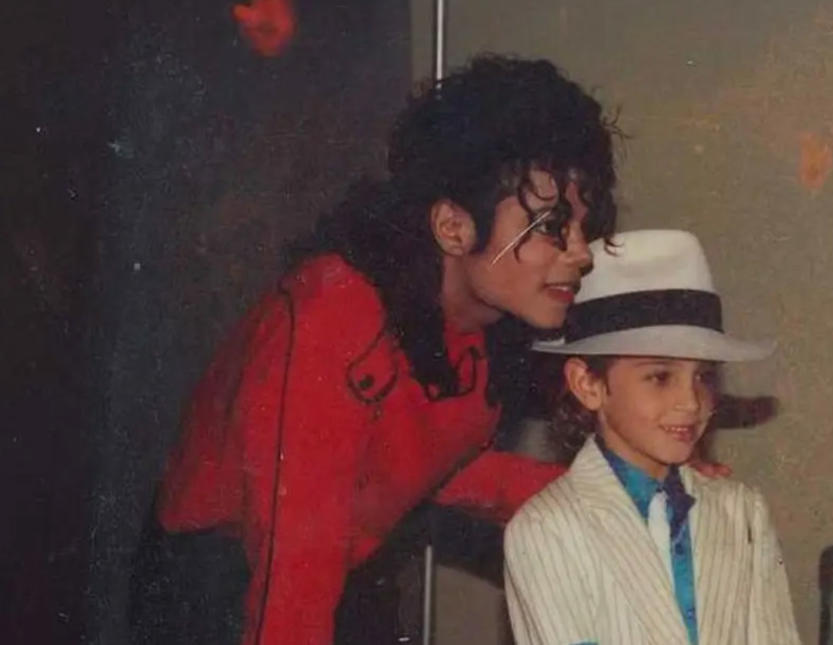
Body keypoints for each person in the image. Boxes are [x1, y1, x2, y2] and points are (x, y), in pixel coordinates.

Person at [142, 55, 621, 645]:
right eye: (551, 227)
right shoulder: (333, 314)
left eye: (583, 226)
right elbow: (294, 568)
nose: (582, 253)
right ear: (452, 226)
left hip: (326, 573)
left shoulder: (478, 325)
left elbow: (434, 468)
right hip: (224, 590)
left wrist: (628, 488)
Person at [504, 229, 802, 645]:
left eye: (703, 376)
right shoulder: (547, 528)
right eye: (660, 377)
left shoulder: (742, 513)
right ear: (588, 384)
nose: (691, 402)